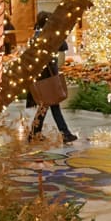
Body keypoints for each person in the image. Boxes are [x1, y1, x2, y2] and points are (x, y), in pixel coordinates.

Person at [26, 11, 77, 144]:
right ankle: (64, 133)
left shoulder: (35, 36)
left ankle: (35, 133)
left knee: (47, 105)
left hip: (40, 75)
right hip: (48, 76)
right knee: (51, 104)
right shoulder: (49, 36)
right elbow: (64, 46)